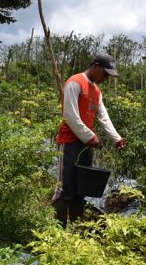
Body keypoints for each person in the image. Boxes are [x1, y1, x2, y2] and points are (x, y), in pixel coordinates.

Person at [53, 53, 126, 227]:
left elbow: (103, 117)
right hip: (69, 142)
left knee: (80, 190)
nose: (106, 78)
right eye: (105, 73)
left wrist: (116, 138)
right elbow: (70, 116)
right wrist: (90, 136)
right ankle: (57, 233)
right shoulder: (75, 82)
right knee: (65, 190)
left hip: (86, 145)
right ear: (96, 66)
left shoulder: (97, 91)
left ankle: (77, 230)